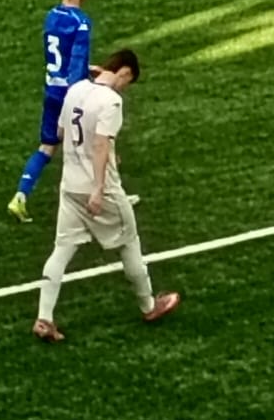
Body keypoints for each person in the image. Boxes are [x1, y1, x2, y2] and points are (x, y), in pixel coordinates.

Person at [32, 50, 180, 343]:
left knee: (61, 249)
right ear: (125, 72)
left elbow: (60, 132)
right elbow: (101, 144)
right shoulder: (111, 101)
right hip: (101, 188)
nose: (125, 88)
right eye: (128, 82)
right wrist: (99, 187)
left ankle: (44, 317)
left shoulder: (76, 89)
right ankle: (149, 305)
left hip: (70, 184)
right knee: (129, 242)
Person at [9, 0, 92, 224]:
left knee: (47, 146)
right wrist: (80, 90)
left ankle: (20, 196)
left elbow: (56, 55)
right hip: (71, 92)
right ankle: (105, 197)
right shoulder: (81, 21)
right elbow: (76, 59)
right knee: (94, 141)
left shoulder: (52, 16)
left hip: (52, 88)